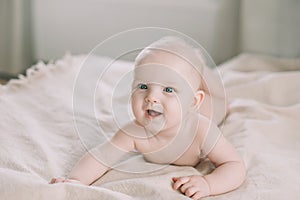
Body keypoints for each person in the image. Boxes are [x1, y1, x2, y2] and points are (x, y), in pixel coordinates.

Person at [50, 37, 246, 200]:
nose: (151, 97)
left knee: (218, 95)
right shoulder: (134, 131)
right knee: (186, 73)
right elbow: (101, 157)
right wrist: (75, 181)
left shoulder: (202, 129)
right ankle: (190, 70)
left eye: (168, 90)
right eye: (143, 86)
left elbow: (234, 165)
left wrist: (208, 183)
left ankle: (201, 66)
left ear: (194, 101)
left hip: (213, 105)